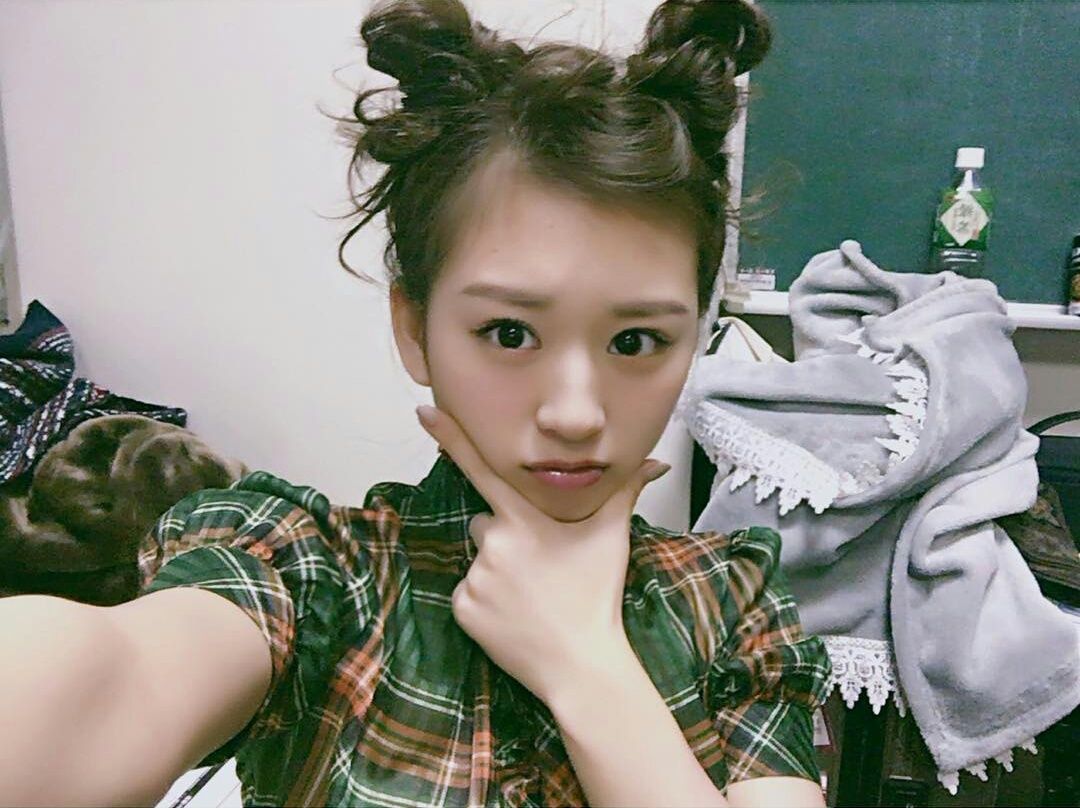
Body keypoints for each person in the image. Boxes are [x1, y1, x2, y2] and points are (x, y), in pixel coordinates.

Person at [0, 0, 831, 805]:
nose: (576, 414)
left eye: (636, 340)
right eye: (510, 333)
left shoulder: (731, 602)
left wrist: (584, 660)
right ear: (414, 327)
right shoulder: (316, 574)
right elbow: (110, 686)